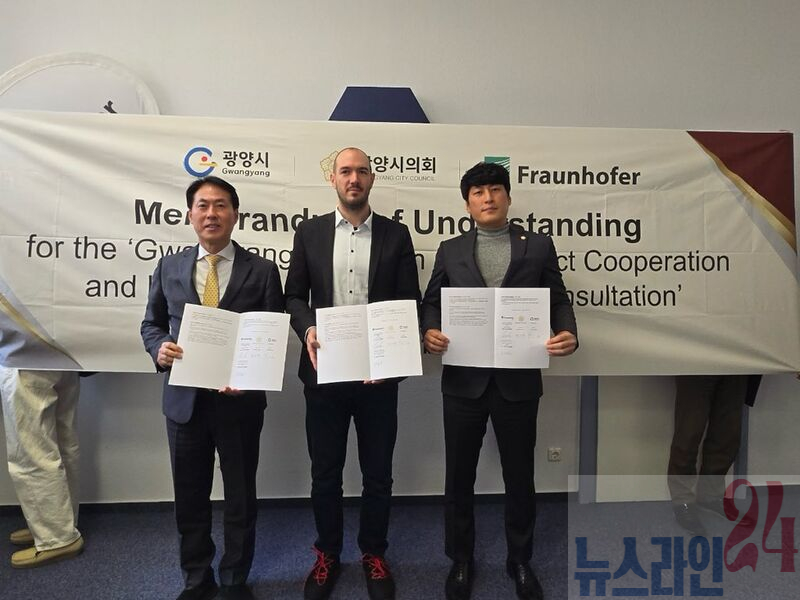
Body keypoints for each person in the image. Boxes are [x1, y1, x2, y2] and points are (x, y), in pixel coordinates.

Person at [421, 162, 578, 600]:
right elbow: (432, 302)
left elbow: (558, 299)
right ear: (467, 203)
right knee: (459, 477)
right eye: (478, 192)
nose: (487, 198)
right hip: (463, 382)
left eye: (494, 189)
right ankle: (461, 559)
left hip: (518, 381)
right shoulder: (450, 249)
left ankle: (520, 559)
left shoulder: (538, 245)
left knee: (520, 475)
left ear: (508, 197)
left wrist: (569, 332)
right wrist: (429, 330)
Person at [284, 147, 420, 600]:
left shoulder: (396, 235)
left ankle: (373, 553)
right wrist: (307, 329)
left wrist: (392, 358)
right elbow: (294, 297)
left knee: (378, 473)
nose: (354, 178)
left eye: (362, 171)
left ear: (372, 179)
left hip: (378, 376)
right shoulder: (310, 232)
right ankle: (327, 554)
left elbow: (408, 301)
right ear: (334, 179)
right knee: (325, 472)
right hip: (323, 371)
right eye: (346, 171)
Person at [141, 176, 284, 600]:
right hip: (184, 403)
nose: (211, 214)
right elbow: (151, 324)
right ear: (190, 214)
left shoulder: (262, 270)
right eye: (202, 205)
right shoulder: (169, 267)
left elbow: (271, 334)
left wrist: (250, 378)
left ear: (235, 214)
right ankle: (196, 577)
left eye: (220, 205)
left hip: (238, 402)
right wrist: (159, 348)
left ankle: (236, 578)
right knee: (189, 496)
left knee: (240, 495)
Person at [1, 367, 84, 568]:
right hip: (65, 357)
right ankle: (61, 525)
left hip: (22, 358)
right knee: (63, 442)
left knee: (31, 450)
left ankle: (56, 537)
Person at [668, 374, 761, 535]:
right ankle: (682, 500)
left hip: (737, 366)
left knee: (727, 434)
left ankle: (710, 496)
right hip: (697, 366)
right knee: (689, 432)